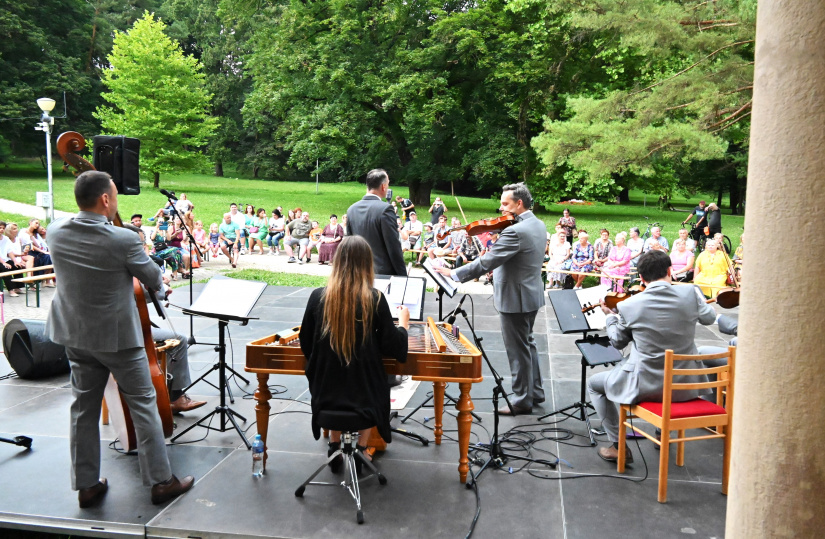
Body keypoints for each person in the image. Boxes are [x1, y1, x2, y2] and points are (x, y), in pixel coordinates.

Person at [45, 170, 194, 508]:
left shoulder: (55, 232)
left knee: (82, 409)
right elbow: (153, 277)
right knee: (143, 405)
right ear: (106, 200)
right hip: (118, 340)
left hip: (75, 335)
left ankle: (86, 485)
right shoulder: (122, 239)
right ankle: (161, 482)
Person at [587, 250, 717, 463]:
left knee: (594, 384)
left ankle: (618, 447)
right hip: (686, 385)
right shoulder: (691, 293)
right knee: (667, 366)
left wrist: (610, 319)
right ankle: (661, 432)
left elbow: (618, 341)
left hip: (645, 387)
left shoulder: (628, 305)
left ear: (641, 278)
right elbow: (709, 318)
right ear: (669, 271)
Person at [434, 183, 546, 415]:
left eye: (505, 204)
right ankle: (535, 391)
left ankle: (522, 399)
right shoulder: (537, 224)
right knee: (528, 343)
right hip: (531, 294)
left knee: (517, 349)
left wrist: (453, 273)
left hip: (515, 298)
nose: (500, 208)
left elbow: (486, 262)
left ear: (519, 204)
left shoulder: (515, 231)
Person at [300, 236, 410, 470]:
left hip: (325, 397)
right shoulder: (375, 298)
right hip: (365, 403)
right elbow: (395, 349)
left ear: (337, 262)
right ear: (367, 265)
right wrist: (403, 324)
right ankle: (361, 448)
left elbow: (305, 344)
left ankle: (334, 444)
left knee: (338, 380)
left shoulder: (317, 296)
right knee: (371, 381)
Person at [346, 168, 406, 276]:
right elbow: (393, 246)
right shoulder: (385, 209)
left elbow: (350, 245)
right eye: (388, 184)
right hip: (382, 274)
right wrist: (403, 276)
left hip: (358, 272)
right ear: (383, 186)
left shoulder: (351, 209)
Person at [0, 221, 25, 297]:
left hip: (5, 260)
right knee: (5, 269)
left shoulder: (6, 239)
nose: (2, 229)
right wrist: (3, 263)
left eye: (3, 228)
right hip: (1, 261)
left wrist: (15, 261)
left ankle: (17, 287)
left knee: (17, 266)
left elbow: (9, 251)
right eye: (0, 228)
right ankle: (11, 290)